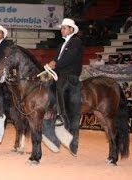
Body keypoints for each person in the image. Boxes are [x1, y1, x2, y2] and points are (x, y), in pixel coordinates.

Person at [47, 18, 83, 153]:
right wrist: (50, 69)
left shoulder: (76, 41)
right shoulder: (62, 44)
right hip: (61, 73)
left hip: (70, 75)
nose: (62, 30)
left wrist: (55, 64)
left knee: (60, 85)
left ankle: (61, 116)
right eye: (62, 28)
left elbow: (69, 58)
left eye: (64, 28)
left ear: (71, 30)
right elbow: (57, 60)